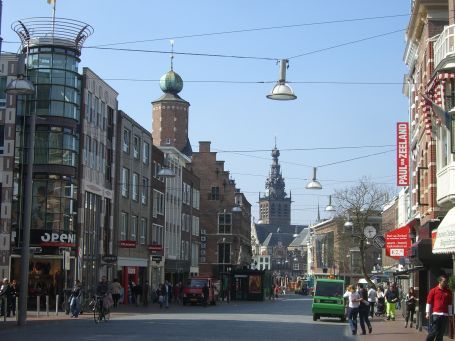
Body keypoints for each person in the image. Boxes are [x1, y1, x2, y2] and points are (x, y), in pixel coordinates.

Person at [426, 275, 453, 341]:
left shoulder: (448, 291)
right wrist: (427, 313)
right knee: (434, 331)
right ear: (439, 281)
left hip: (445, 315)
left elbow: (449, 304)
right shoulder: (433, 290)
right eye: (444, 281)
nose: (445, 282)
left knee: (441, 334)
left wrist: (450, 315)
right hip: (436, 314)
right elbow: (428, 302)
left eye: (446, 281)